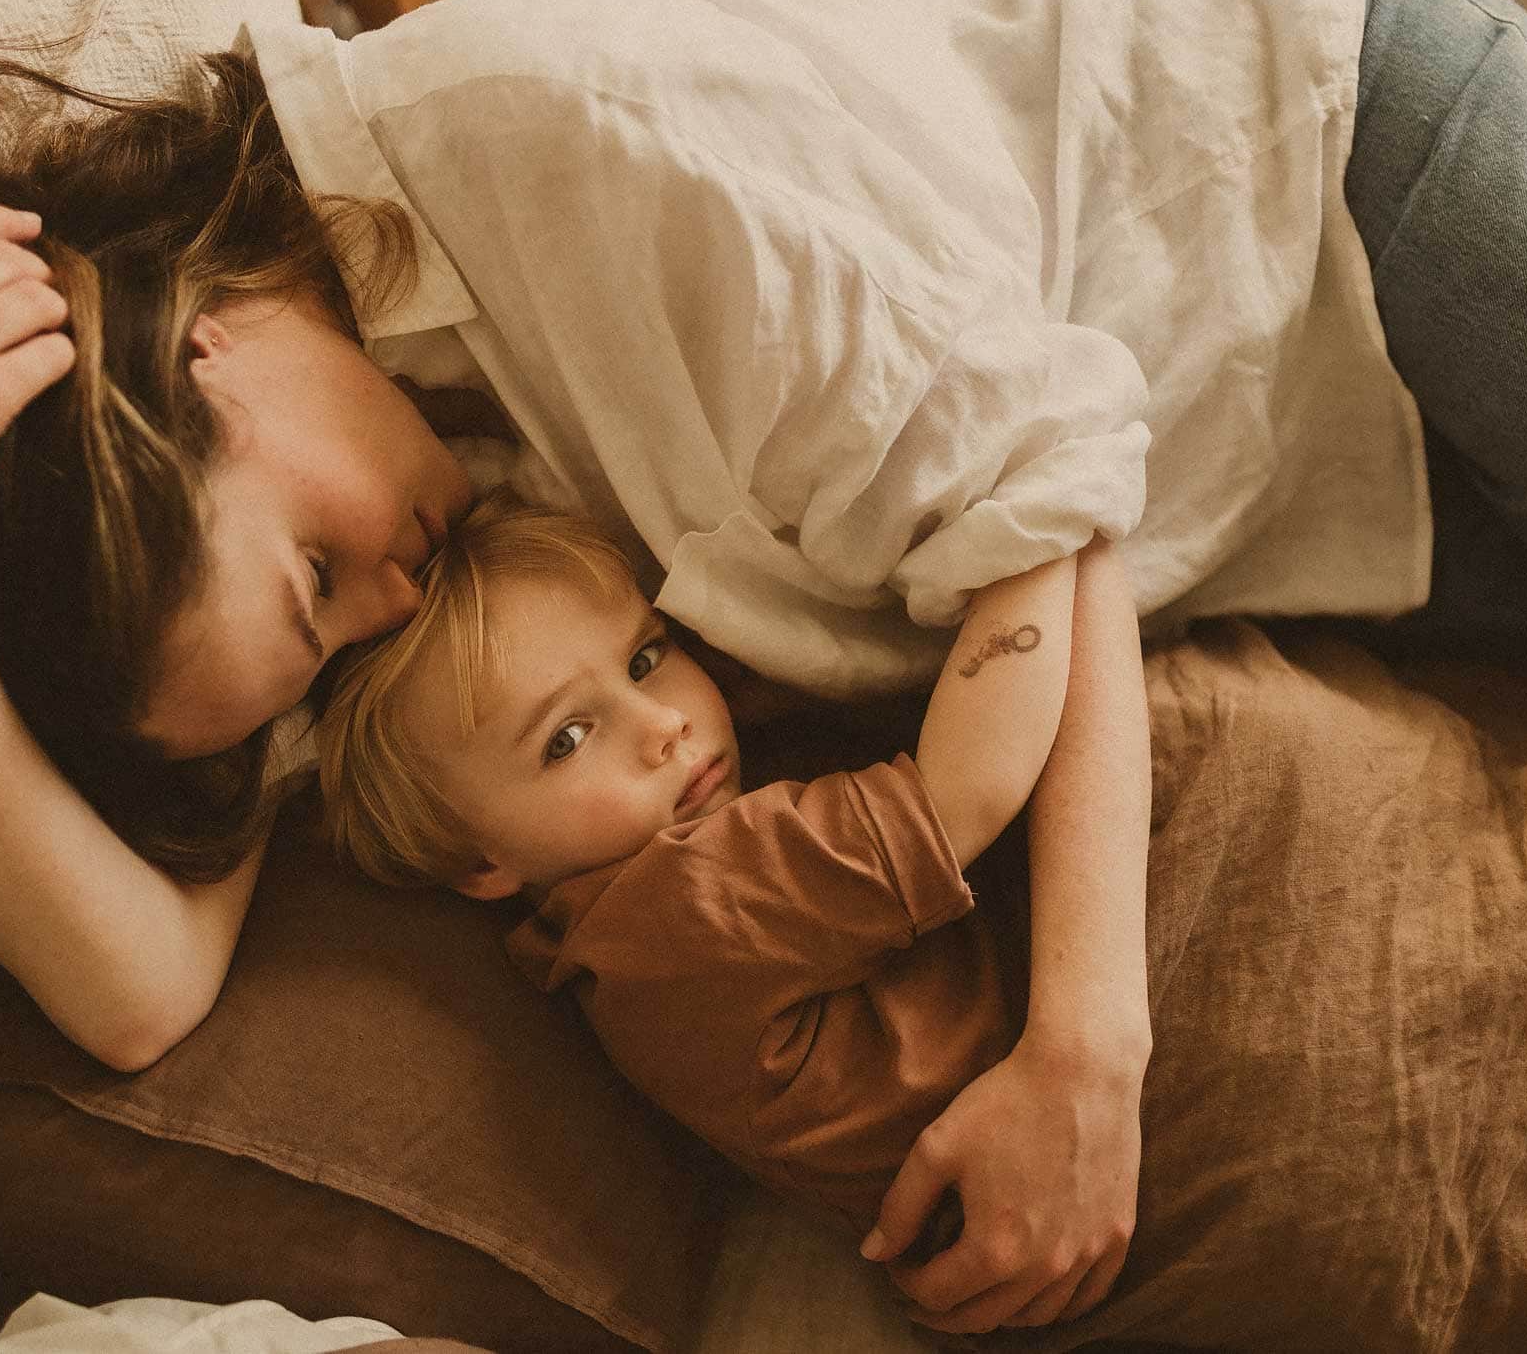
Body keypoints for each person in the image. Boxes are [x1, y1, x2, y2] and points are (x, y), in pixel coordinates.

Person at [0, 0, 1527, 1334]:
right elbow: (141, 981)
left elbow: (1051, 482)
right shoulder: (342, 506)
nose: (365, 632)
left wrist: (1089, 1050)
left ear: (211, 337)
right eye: (305, 657)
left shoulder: (582, 156)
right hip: (1267, 488)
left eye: (312, 587)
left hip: (1317, 183)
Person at [315, 493, 1147, 1262]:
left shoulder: (608, 957)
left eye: (645, 658)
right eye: (566, 739)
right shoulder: (679, 905)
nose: (664, 725)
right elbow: (968, 792)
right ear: (478, 862)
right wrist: (1043, 504)